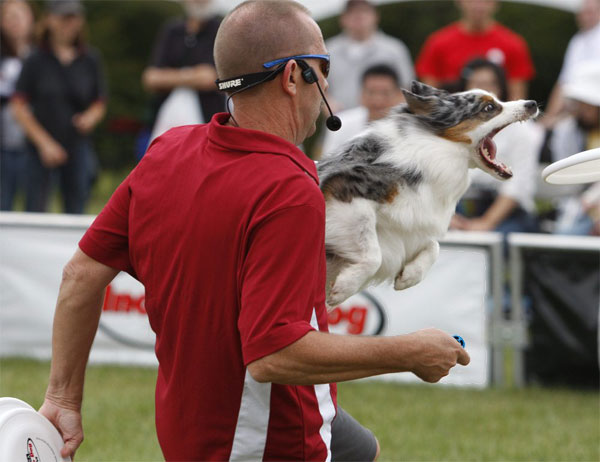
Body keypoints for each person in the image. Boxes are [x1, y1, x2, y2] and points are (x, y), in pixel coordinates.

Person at [38, 1, 470, 461]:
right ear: (292, 76)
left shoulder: (167, 151)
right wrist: (409, 352)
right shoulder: (289, 187)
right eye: (322, 68)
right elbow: (273, 356)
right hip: (263, 438)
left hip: (188, 422)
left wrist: (62, 398)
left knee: (364, 451)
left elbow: (80, 275)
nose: (327, 83)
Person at [11, 0, 106, 214]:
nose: (69, 24)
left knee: (76, 209)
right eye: (64, 18)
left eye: (74, 18)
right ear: (50, 20)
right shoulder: (35, 59)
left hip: (77, 146)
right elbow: (18, 105)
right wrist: (44, 143)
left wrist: (90, 117)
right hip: (39, 149)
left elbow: (99, 101)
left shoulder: (90, 59)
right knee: (35, 210)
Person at [451, 58, 543, 234]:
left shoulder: (522, 130)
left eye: (491, 84)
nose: (485, 90)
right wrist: (448, 218)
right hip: (459, 209)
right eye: (477, 84)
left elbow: (518, 184)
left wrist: (487, 223)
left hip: (509, 214)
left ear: (501, 88)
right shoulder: (452, 128)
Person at [415, 0, 535, 101]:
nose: (478, 5)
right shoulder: (438, 42)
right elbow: (428, 97)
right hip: (452, 123)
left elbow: (517, 98)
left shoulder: (513, 44)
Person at [142, 0, 225, 140]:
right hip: (165, 122)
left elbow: (211, 79)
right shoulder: (172, 31)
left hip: (209, 123)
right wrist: (193, 76)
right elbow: (150, 78)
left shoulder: (221, 30)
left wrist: (169, 77)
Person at [325, 0, 414, 112]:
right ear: (342, 19)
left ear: (376, 16)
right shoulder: (327, 50)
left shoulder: (395, 49)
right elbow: (318, 86)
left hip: (384, 121)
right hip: (340, 120)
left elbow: (407, 88)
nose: (359, 17)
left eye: (364, 12)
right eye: (352, 13)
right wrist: (327, 105)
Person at [549, 62, 600, 235]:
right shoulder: (569, 130)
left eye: (587, 105)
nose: (581, 110)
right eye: (579, 103)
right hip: (580, 207)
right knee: (566, 235)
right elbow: (567, 176)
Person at [321, 63, 404, 157]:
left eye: (385, 93)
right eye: (371, 92)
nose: (378, 101)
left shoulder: (406, 129)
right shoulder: (342, 123)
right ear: (361, 93)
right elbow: (328, 160)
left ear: (399, 95)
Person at [541, 0, 600, 128]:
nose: (585, 16)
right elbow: (563, 82)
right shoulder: (577, 41)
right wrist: (548, 118)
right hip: (577, 110)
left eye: (590, 12)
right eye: (583, 12)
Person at [0, 0, 34, 211]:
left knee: (35, 208)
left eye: (20, 16)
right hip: (3, 146)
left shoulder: (42, 57)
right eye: (9, 16)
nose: (15, 22)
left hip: (34, 147)